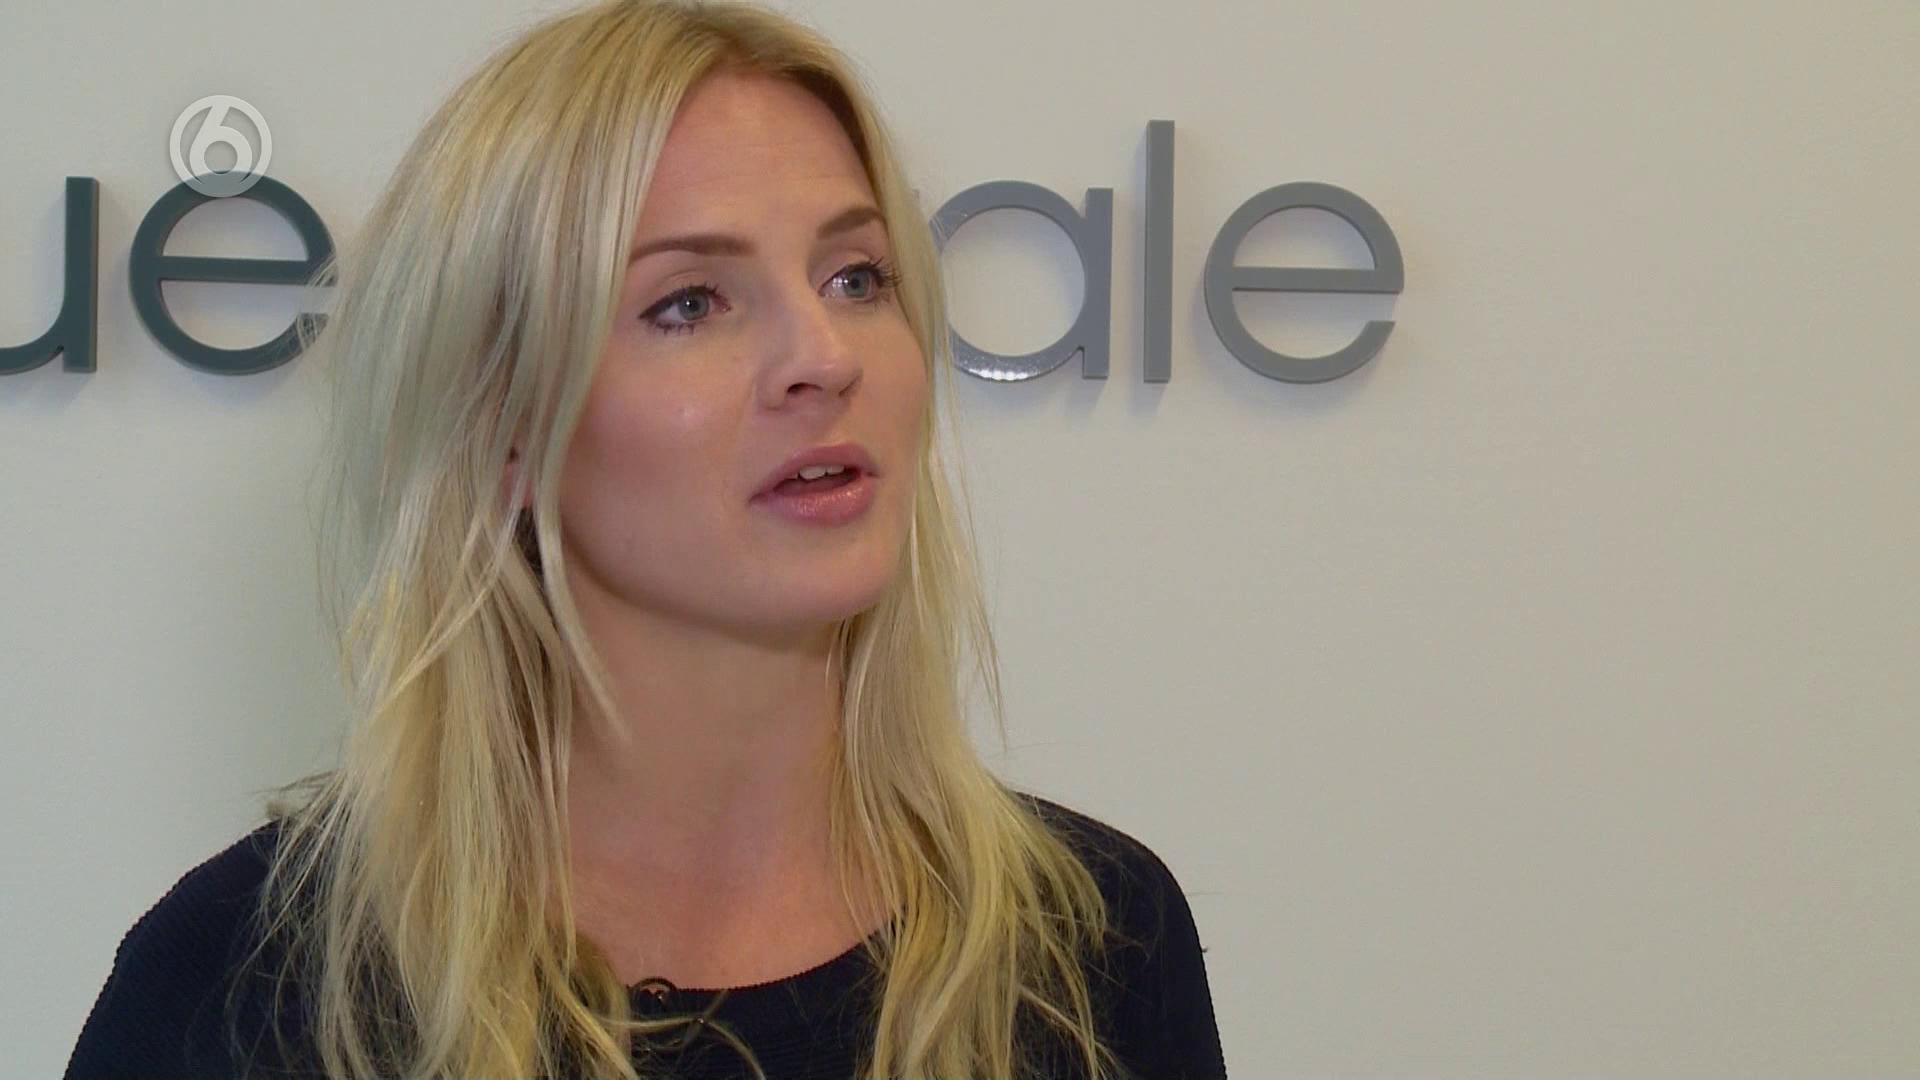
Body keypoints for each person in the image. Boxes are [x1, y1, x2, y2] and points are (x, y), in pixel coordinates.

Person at [62, 1, 1227, 1077]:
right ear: (505, 426)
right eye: (688, 302)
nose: (826, 356)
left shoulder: (1098, 942)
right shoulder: (239, 991)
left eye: (856, 276)